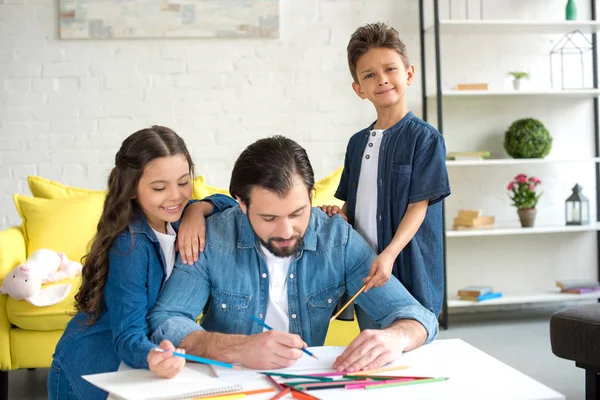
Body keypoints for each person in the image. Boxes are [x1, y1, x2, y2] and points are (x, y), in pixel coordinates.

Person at [147, 135, 438, 373]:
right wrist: (241, 349)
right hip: (227, 385)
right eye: (269, 218)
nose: (286, 231)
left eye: (298, 213)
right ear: (242, 205)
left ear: (311, 196)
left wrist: (396, 337)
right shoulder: (213, 238)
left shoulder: (337, 240)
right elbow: (166, 319)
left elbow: (418, 317)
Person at [48, 126, 237, 400]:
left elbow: (230, 204)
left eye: (184, 182)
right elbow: (128, 336)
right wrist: (153, 355)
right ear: (131, 188)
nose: (176, 195)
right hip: (94, 369)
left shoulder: (181, 216)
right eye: (159, 187)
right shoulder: (130, 245)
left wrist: (199, 208)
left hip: (141, 369)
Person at [320, 22, 451, 325]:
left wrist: (390, 254)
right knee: (371, 349)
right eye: (369, 75)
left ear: (408, 73)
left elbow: (419, 207)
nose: (382, 80)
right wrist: (339, 217)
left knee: (411, 343)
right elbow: (353, 206)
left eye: (390, 69)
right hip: (364, 269)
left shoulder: (426, 139)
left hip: (405, 266)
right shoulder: (356, 144)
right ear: (359, 89)